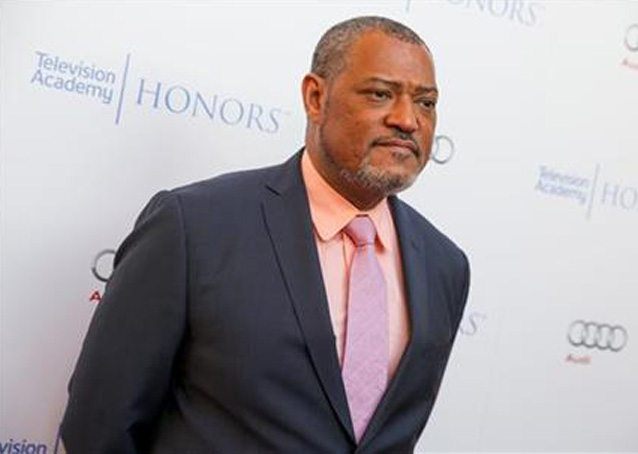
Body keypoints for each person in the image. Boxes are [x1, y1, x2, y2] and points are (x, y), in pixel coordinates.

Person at [61, 16, 471, 454]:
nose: (408, 120)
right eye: (380, 94)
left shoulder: (444, 265)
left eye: (426, 103)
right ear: (316, 97)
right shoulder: (194, 227)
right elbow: (98, 428)